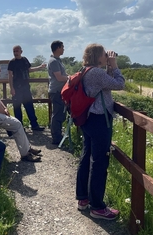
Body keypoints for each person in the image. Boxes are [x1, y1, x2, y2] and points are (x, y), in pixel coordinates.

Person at [75, 44, 125, 220]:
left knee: (86, 155)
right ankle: (97, 207)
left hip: (88, 119)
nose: (107, 56)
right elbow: (119, 85)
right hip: (99, 120)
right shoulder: (96, 73)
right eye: (105, 54)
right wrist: (115, 66)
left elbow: (106, 86)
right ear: (98, 56)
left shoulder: (86, 70)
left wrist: (109, 67)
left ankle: (83, 198)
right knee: (99, 162)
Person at [0, 61, 42, 162]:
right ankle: (25, 154)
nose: (0, 70)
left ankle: (27, 149)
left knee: (17, 124)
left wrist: (4, 108)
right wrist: (4, 112)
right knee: (17, 124)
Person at [7, 45, 45, 131]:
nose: (15, 53)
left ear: (21, 51)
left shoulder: (24, 60)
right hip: (16, 89)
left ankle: (34, 125)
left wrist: (40, 67)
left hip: (26, 88)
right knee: (17, 109)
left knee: (29, 107)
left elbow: (29, 69)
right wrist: (11, 88)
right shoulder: (12, 62)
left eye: (17, 51)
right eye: (14, 51)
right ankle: (20, 127)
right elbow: (10, 75)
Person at [48, 40, 68, 145]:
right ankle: (56, 138)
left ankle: (58, 136)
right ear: (58, 48)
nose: (63, 49)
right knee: (57, 115)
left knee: (59, 113)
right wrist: (70, 78)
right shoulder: (54, 61)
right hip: (56, 91)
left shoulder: (57, 60)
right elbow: (59, 77)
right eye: (62, 47)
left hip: (58, 91)